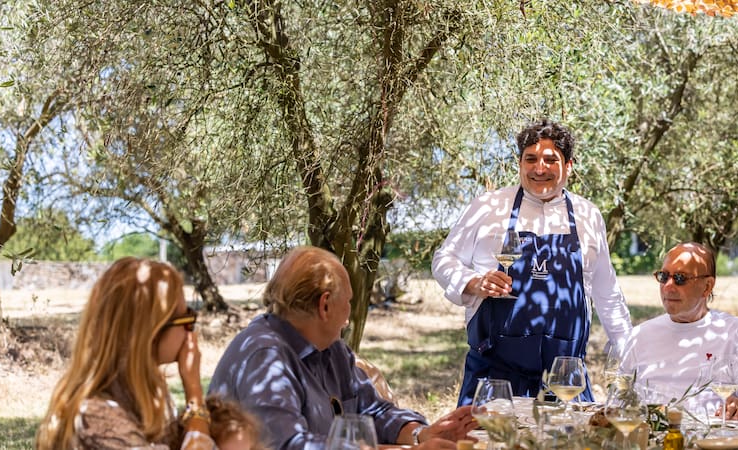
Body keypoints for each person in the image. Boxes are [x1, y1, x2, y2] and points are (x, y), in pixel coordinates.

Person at [431, 118, 633, 406]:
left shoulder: (588, 216)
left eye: (551, 160)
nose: (540, 168)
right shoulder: (489, 207)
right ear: (520, 163)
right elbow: (443, 259)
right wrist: (473, 282)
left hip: (566, 383)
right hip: (493, 381)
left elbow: (607, 294)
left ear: (569, 166)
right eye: (531, 159)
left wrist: (629, 357)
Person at [208, 246, 477, 450]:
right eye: (348, 301)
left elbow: (374, 410)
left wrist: (420, 434)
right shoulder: (265, 358)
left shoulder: (332, 350)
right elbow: (288, 444)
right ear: (325, 305)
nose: (349, 316)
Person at [36, 257, 214, 449]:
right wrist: (194, 393)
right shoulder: (98, 419)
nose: (191, 331)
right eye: (187, 318)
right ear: (150, 333)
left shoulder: (144, 394)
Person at [620, 242, 738, 419]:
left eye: (680, 278)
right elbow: (619, 398)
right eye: (663, 276)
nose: (668, 286)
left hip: (713, 438)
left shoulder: (737, 331)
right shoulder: (640, 335)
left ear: (707, 287)